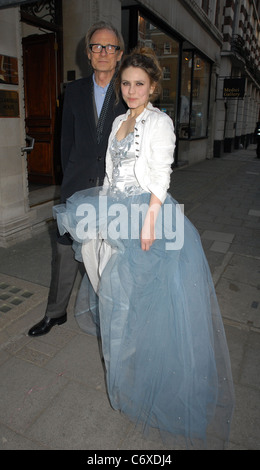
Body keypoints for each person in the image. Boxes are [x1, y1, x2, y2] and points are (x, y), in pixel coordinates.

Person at [54, 47, 235, 448]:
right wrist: (98, 213)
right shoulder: (119, 118)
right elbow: (109, 173)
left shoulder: (159, 122)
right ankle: (125, 366)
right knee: (110, 293)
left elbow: (160, 176)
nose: (132, 90)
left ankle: (133, 376)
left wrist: (149, 226)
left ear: (152, 87)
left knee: (132, 300)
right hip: (111, 212)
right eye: (127, 83)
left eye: (140, 84)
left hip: (144, 217)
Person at [28, 21, 127, 337]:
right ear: (88, 53)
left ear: (119, 54)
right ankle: (56, 313)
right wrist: (67, 184)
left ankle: (113, 317)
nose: (103, 52)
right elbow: (64, 143)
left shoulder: (129, 92)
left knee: (112, 259)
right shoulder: (72, 91)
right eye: (97, 46)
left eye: (110, 47)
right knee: (63, 252)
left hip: (115, 192)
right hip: (77, 190)